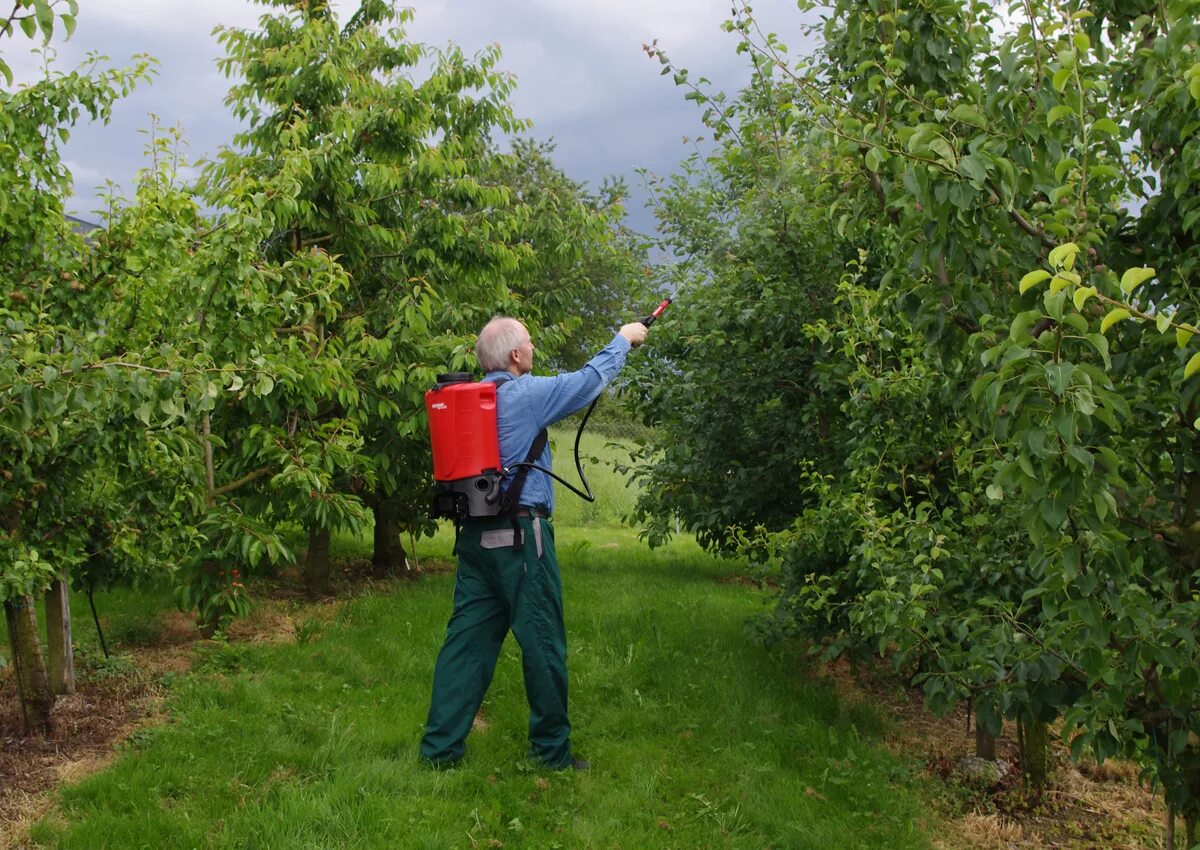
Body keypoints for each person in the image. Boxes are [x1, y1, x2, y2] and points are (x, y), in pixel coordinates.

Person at [420, 316, 649, 770]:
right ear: (515, 356)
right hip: (524, 540)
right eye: (528, 342)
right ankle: (550, 753)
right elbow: (587, 381)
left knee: (465, 646)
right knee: (542, 639)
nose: (532, 346)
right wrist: (623, 340)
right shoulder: (524, 395)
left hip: (475, 540)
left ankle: (439, 752)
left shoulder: (466, 403)